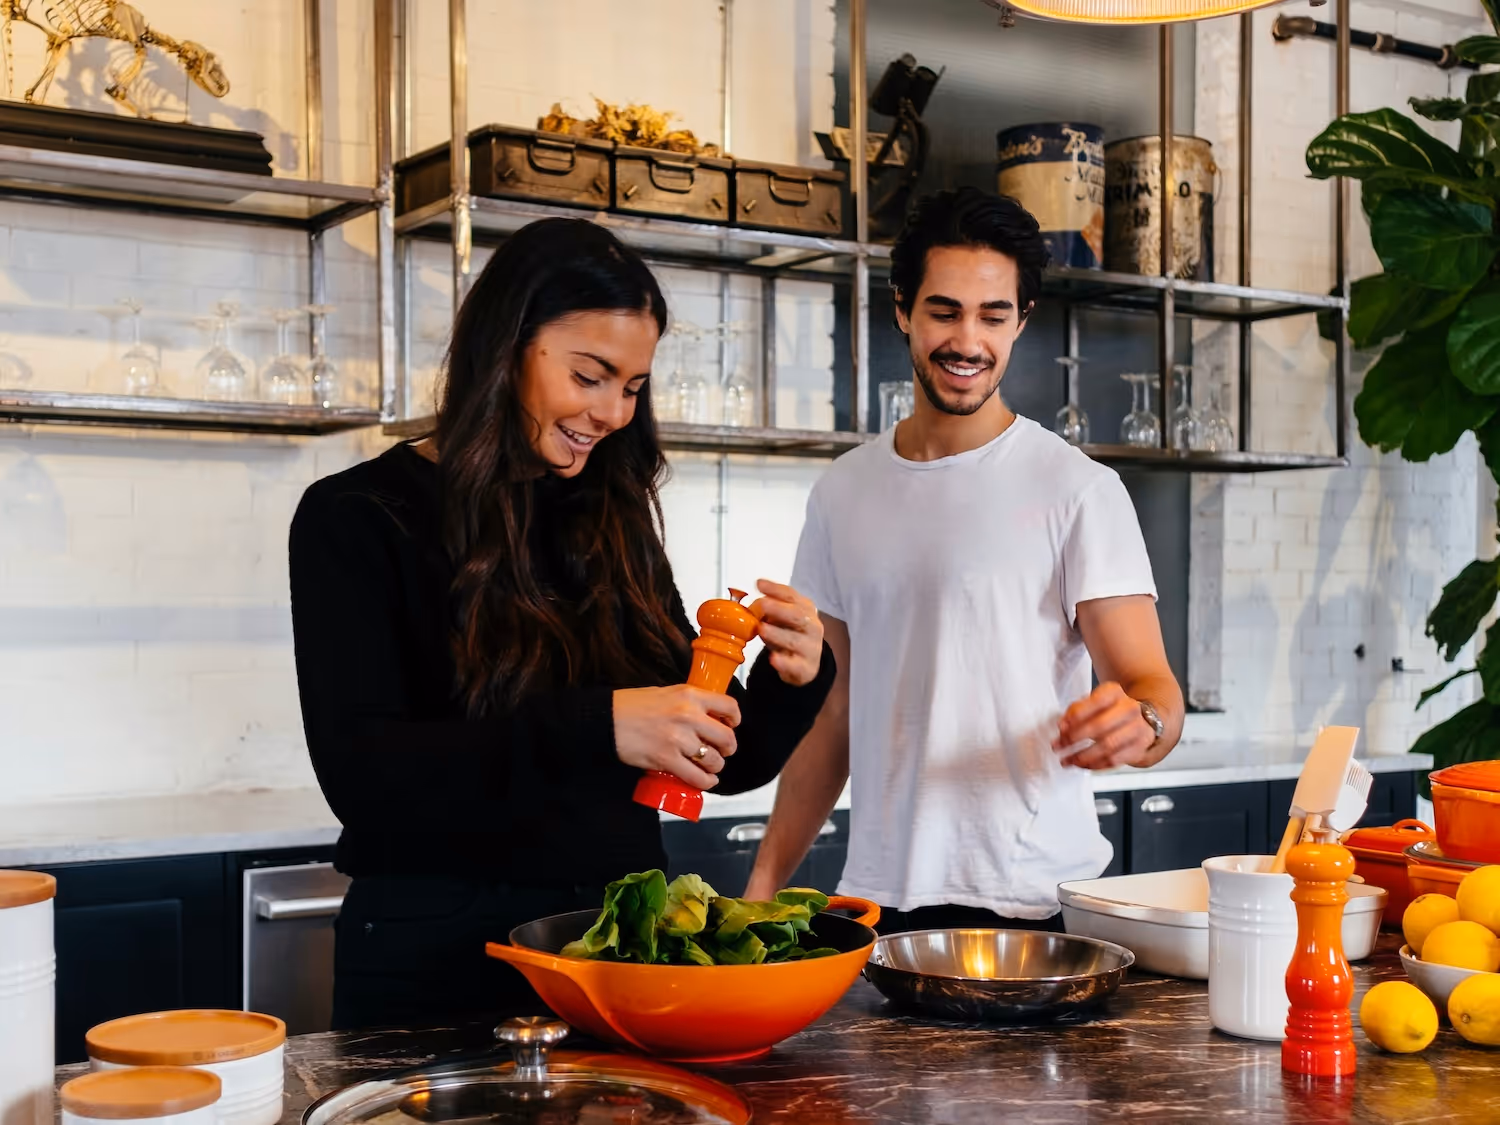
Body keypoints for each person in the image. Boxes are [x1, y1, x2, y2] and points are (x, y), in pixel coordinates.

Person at [289, 218, 834, 1030]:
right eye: (590, 375)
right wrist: (600, 725)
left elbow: (716, 763)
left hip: (617, 959)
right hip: (434, 970)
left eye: (634, 386)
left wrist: (792, 678)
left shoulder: (613, 516)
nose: (612, 412)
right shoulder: (357, 515)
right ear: (506, 346)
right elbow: (364, 780)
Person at [744, 187, 1183, 933]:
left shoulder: (1078, 489)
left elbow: (1154, 692)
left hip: (1033, 904)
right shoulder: (843, 491)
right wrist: (760, 888)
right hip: (879, 903)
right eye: (944, 312)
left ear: (1022, 320)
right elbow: (833, 713)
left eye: (993, 315)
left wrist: (1141, 724)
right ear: (903, 309)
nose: (968, 341)